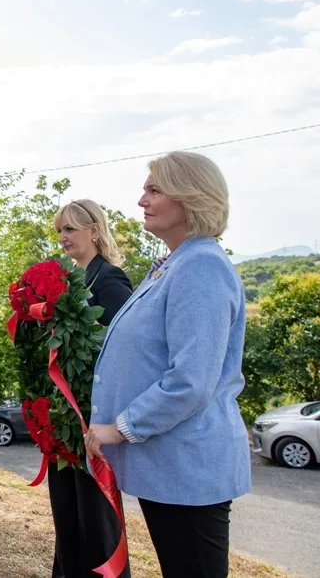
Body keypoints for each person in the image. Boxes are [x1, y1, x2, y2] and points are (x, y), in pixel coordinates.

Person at [85, 151, 250, 578]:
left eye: (154, 189)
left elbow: (191, 381)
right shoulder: (177, 263)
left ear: (190, 197)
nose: (141, 200)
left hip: (189, 471)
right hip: (172, 467)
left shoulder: (201, 267)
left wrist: (120, 427)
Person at [46, 199, 135, 578]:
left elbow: (126, 351)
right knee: (68, 516)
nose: (63, 238)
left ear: (94, 230)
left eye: (70, 229)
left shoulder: (110, 281)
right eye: (59, 231)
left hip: (92, 418)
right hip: (65, 419)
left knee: (94, 522)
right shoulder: (74, 281)